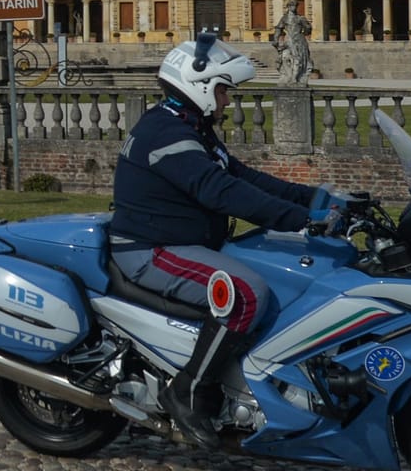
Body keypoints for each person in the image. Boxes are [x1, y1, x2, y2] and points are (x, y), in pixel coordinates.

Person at [107, 33, 343, 449]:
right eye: (223, 91)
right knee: (245, 295)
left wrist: (319, 198)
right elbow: (221, 192)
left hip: (183, 242)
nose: (227, 101)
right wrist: (305, 220)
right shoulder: (165, 133)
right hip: (151, 250)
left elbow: (243, 177)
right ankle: (189, 391)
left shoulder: (187, 126)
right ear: (198, 86)